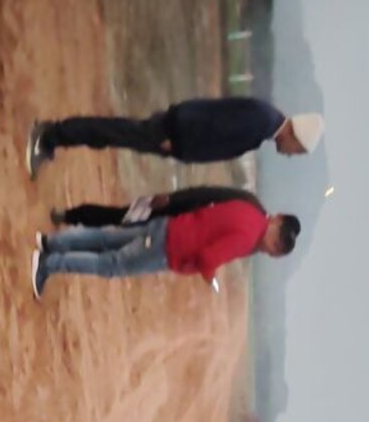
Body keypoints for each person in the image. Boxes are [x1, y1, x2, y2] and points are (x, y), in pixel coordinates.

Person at [30, 198, 300, 300]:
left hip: (170, 227)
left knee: (108, 238)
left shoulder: (250, 210)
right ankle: (48, 263)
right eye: (276, 240)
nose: (271, 246)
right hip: (169, 248)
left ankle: (52, 243)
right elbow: (208, 258)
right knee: (110, 264)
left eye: (276, 249)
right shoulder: (247, 238)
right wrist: (211, 279)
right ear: (276, 221)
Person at [26, 97, 324, 179]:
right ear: (296, 137)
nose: (290, 154)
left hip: (177, 134)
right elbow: (212, 123)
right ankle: (50, 135)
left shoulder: (264, 125)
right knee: (111, 132)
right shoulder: (261, 121)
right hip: (175, 132)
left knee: (114, 134)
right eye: (296, 150)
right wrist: (177, 137)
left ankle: (56, 135)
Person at [50, 185, 266, 228]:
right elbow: (205, 193)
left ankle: (71, 228)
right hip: (172, 211)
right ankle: (69, 216)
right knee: (120, 217)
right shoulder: (249, 204)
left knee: (120, 236)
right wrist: (172, 198)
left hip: (174, 235)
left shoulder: (251, 241)